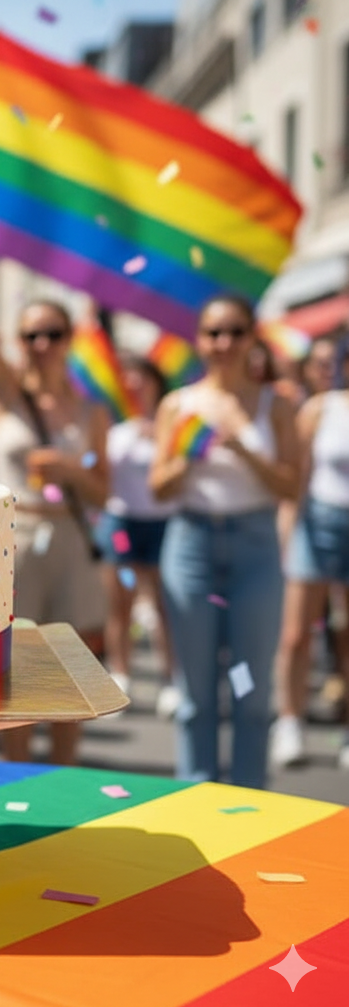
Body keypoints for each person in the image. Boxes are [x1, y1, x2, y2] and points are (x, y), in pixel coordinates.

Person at [0, 179, 110, 766]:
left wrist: (69, 469)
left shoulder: (92, 411)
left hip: (72, 536)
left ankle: (63, 776)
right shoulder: (6, 395)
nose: (40, 344)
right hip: (14, 539)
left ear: (69, 340)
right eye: (30, 335)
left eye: (51, 334)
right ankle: (16, 775)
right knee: (13, 667)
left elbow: (105, 490)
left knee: (73, 666)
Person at [149, 295, 298, 790]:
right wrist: (190, 456)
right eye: (214, 332)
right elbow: (158, 488)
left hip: (254, 545)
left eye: (235, 331)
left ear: (253, 337)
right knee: (196, 693)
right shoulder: (180, 404)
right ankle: (198, 796)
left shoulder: (275, 404)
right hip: (192, 543)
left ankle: (252, 799)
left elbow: (291, 486)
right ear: (199, 340)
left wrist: (241, 449)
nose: (225, 343)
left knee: (250, 688)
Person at [273, 343, 349, 770]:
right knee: (296, 634)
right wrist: (287, 535)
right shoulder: (321, 409)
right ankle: (290, 722)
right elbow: (294, 482)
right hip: (317, 523)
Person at [95, 356, 176, 705]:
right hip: (122, 525)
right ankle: (121, 672)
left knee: (163, 603)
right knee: (121, 601)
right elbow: (95, 469)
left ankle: (172, 677)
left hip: (162, 524)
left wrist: (159, 434)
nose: (136, 386)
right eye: (130, 380)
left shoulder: (172, 427)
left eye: (142, 379)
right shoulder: (117, 431)